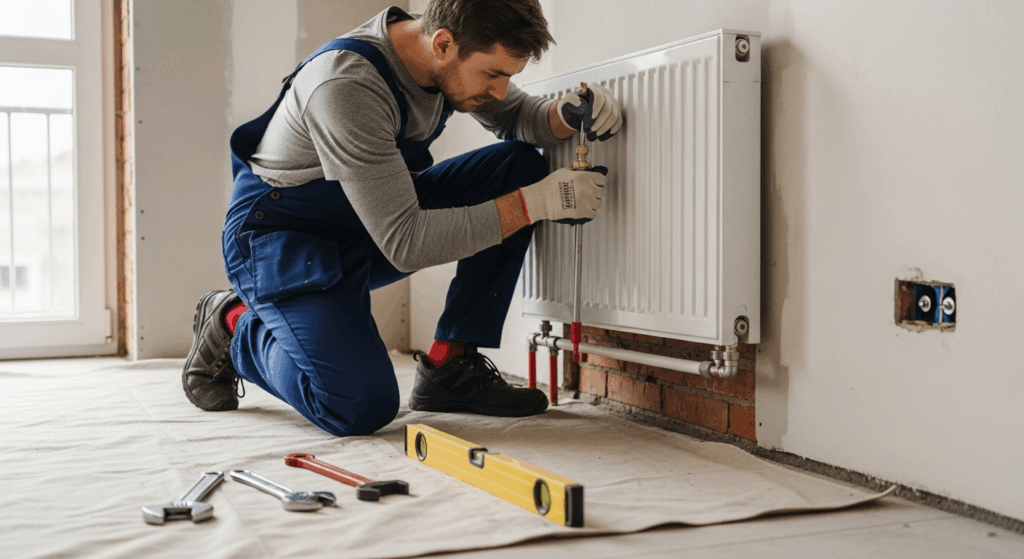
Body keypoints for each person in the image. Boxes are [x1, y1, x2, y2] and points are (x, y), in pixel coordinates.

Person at [181, 0, 623, 437]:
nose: (500, 90)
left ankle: (451, 364)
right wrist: (534, 205)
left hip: (365, 222)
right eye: (494, 74)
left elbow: (516, 116)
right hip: (281, 241)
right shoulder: (347, 86)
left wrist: (566, 115)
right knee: (358, 405)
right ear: (445, 44)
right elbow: (407, 242)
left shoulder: (438, 57)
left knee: (518, 167)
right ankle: (233, 323)